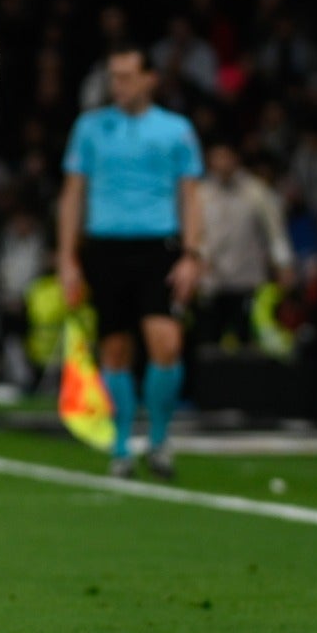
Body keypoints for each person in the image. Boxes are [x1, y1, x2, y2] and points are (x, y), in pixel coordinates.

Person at [57, 44, 205, 478]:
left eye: (125, 76)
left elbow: (191, 196)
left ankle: (158, 441)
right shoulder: (90, 127)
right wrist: (67, 257)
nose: (117, 85)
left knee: (166, 343)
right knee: (115, 349)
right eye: (113, 76)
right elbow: (73, 195)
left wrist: (193, 254)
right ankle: (122, 446)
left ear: (149, 79)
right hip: (105, 248)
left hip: (158, 247)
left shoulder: (176, 130)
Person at [196, 140, 296, 348]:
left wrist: (284, 264)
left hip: (247, 281)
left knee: (247, 345)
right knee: (208, 345)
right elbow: (195, 235)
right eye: (217, 157)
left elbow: (275, 233)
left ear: (235, 158)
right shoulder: (200, 194)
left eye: (226, 156)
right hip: (211, 283)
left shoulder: (257, 192)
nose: (221, 162)